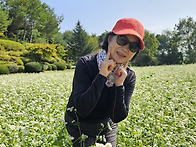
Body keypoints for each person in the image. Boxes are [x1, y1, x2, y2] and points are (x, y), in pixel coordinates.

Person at [65, 18, 145, 147]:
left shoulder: (129, 77)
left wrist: (119, 85)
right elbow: (82, 109)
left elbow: (117, 117)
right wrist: (102, 75)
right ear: (109, 39)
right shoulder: (86, 64)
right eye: (122, 40)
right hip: (78, 123)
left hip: (106, 126)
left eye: (133, 46)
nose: (125, 49)